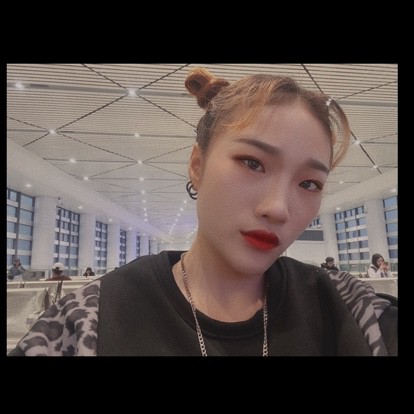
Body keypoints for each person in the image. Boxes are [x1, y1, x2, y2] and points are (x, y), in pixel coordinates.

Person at [8, 67, 397, 356]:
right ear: (197, 164)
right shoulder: (88, 322)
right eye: (252, 163)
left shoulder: (351, 309)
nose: (278, 209)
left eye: (310, 183)